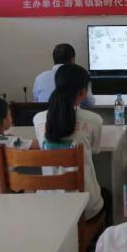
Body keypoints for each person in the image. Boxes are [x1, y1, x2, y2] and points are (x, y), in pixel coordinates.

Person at [33, 64, 107, 221]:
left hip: (47, 205)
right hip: (85, 207)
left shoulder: (38, 119)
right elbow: (94, 150)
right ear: (83, 92)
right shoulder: (94, 120)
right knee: (106, 195)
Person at [33, 43, 95, 108]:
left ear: (54, 59)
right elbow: (89, 103)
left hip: (45, 114)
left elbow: (36, 101)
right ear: (72, 59)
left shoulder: (40, 78)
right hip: (72, 114)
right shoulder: (79, 75)